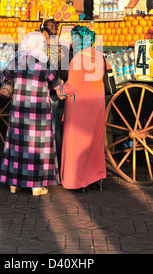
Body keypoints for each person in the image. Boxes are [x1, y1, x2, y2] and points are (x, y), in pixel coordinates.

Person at [0, 32, 60, 196]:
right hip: (38, 112)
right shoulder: (45, 64)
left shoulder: (16, 61)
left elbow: (3, 78)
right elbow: (56, 84)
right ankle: (35, 186)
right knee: (36, 147)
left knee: (17, 145)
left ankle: (13, 184)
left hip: (18, 110)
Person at [56, 25, 107, 191]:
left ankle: (76, 181)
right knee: (94, 140)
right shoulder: (99, 55)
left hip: (80, 105)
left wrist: (60, 91)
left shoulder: (77, 59)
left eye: (73, 39)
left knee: (76, 142)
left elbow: (72, 86)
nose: (71, 42)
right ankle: (96, 177)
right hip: (97, 103)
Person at [39, 19, 71, 170]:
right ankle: (58, 166)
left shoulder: (41, 50)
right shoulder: (64, 49)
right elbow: (66, 73)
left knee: (44, 133)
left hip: (46, 93)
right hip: (60, 93)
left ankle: (47, 166)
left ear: (44, 33)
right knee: (57, 131)